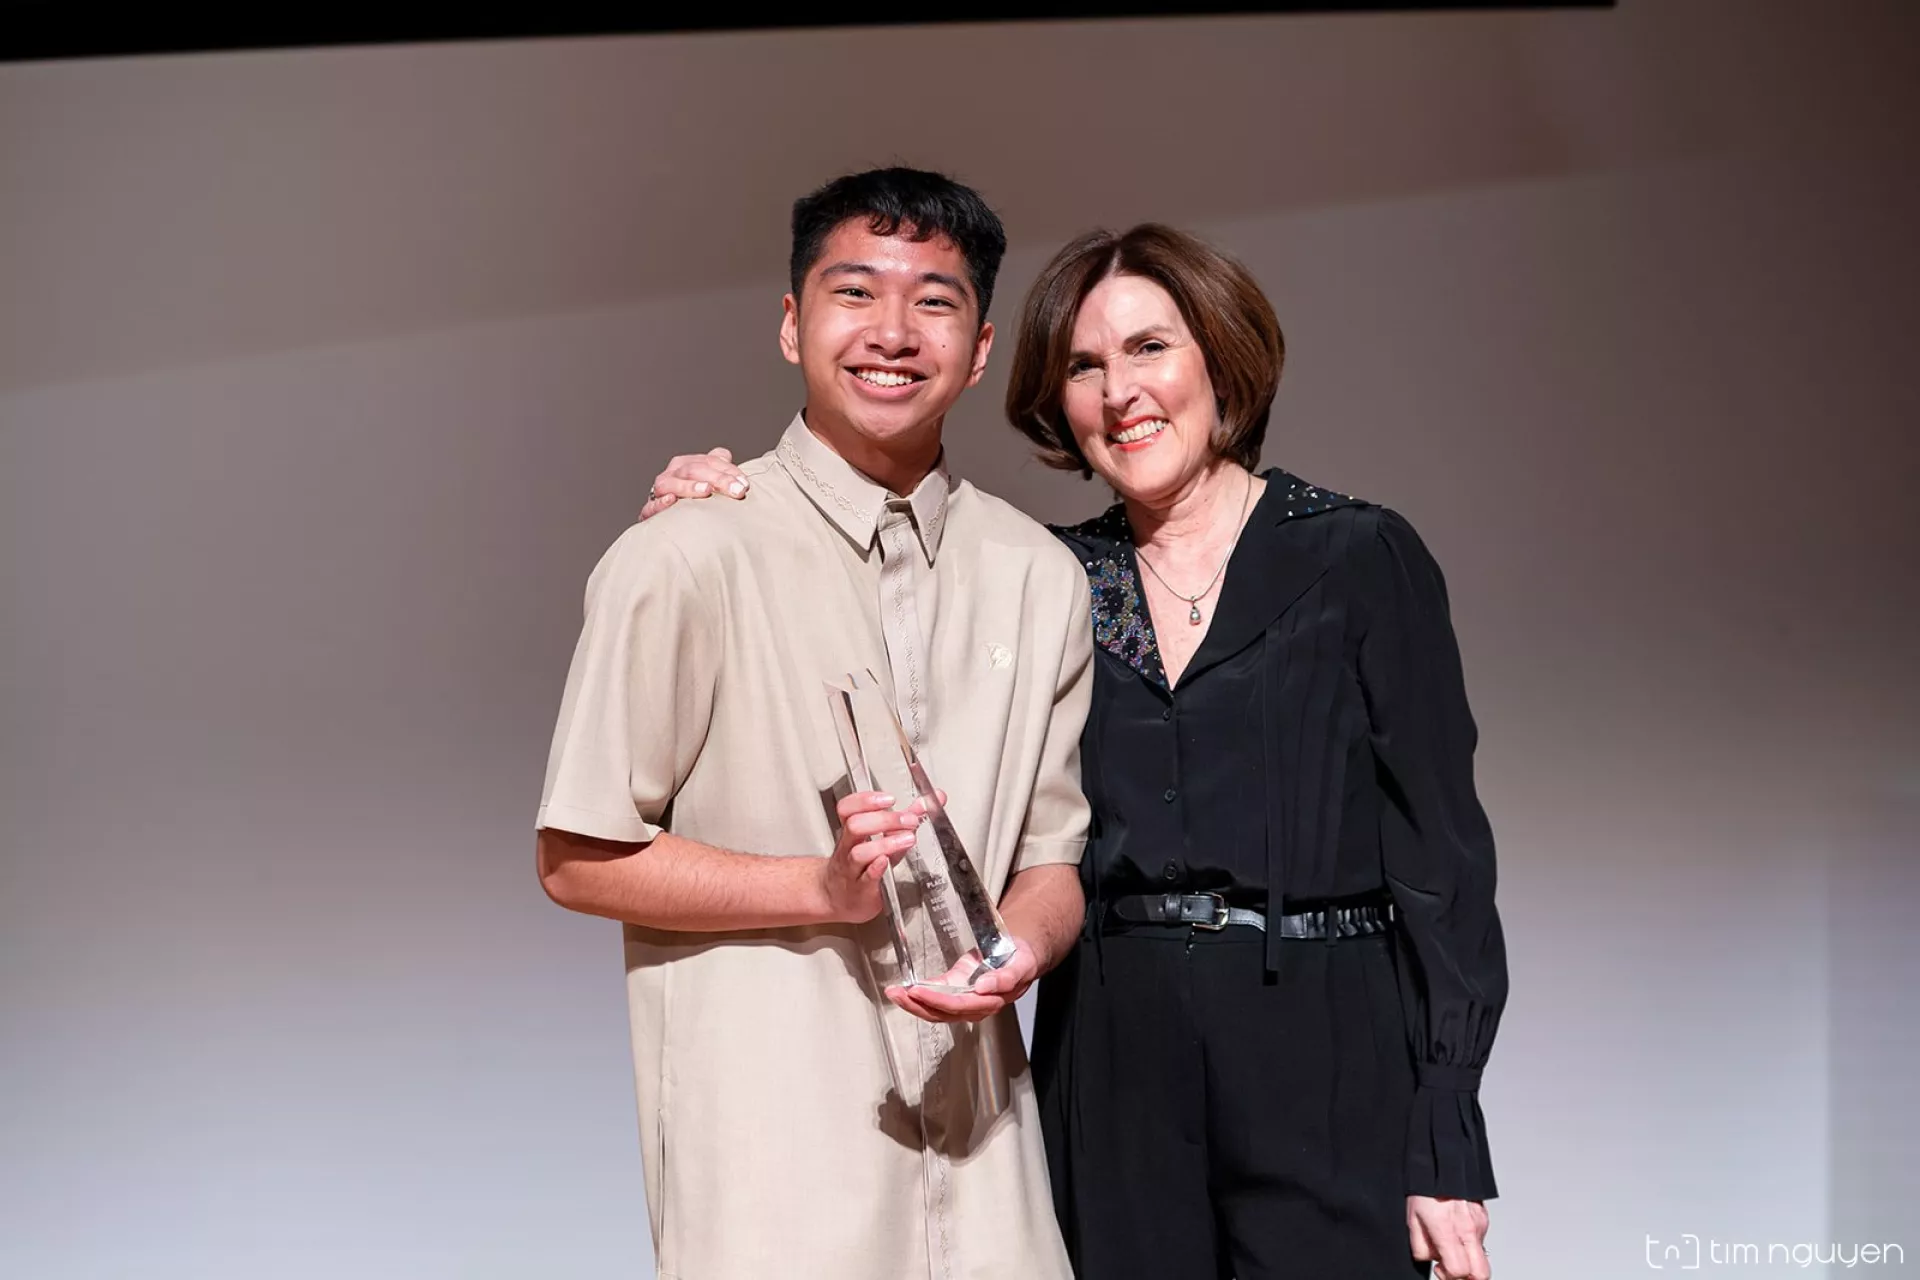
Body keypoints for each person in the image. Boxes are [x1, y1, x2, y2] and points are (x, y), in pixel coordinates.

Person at [642, 224, 1506, 1280]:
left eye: (1149, 348)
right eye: (1085, 366)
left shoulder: (1358, 555)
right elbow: (870, 581)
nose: (1118, 391)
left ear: (1220, 358)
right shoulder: (1047, 579)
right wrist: (721, 495)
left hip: (1325, 1050)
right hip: (1114, 1058)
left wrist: (1446, 1135)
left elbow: (1445, 869)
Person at [535, 167, 1094, 1280]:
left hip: (987, 1156)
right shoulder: (687, 552)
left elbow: (1052, 858)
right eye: (855, 292)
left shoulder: (1039, 577)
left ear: (979, 349)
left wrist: (1015, 952)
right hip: (772, 1165)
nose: (893, 331)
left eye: (934, 301)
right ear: (793, 325)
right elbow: (579, 854)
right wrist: (819, 887)